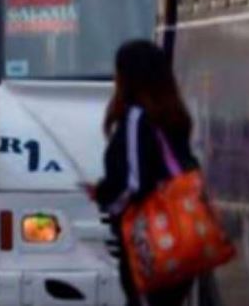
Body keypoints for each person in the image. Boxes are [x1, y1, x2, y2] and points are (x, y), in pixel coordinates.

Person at [85, 40, 197, 306]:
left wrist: (106, 198)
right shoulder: (171, 116)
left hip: (150, 243)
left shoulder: (137, 118)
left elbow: (134, 183)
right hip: (182, 238)